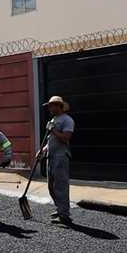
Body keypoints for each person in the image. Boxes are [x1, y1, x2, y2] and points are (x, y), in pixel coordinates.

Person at [43, 96, 75, 226]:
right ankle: (59, 208)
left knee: (61, 186)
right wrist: (43, 150)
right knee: (51, 186)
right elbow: (51, 139)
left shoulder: (67, 120)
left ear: (59, 106)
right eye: (49, 106)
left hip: (61, 157)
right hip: (51, 156)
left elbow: (65, 138)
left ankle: (64, 215)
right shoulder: (53, 119)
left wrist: (53, 130)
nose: (49, 108)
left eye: (51, 106)